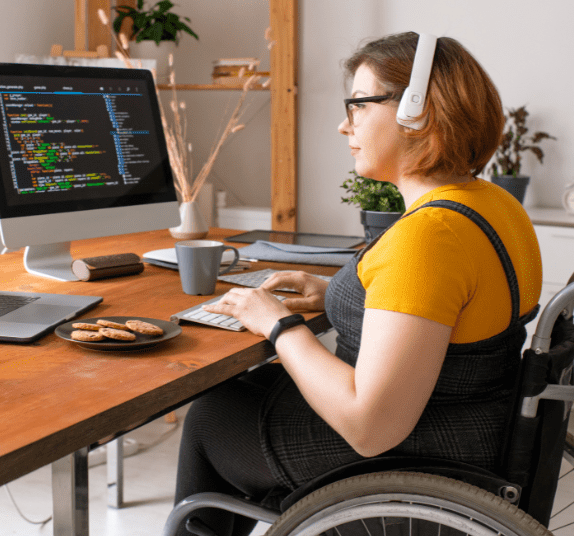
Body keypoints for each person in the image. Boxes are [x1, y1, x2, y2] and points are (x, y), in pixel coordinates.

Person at [173, 32, 543, 536]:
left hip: (415, 450)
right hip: (471, 427)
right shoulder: (493, 205)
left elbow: (371, 427)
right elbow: (448, 312)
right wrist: (333, 294)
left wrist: (279, 325)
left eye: (359, 105)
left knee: (212, 417)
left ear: (418, 112)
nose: (343, 125)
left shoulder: (429, 237)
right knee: (244, 392)